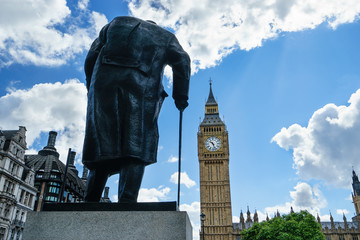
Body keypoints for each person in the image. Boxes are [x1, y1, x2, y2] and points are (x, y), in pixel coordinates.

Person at [82, 16, 190, 202]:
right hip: (142, 89)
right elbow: (183, 60)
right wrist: (180, 96)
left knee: (102, 145)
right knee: (136, 145)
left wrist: (92, 86)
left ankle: (90, 200)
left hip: (102, 85)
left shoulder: (115, 23)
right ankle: (127, 201)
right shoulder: (166, 36)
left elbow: (91, 57)